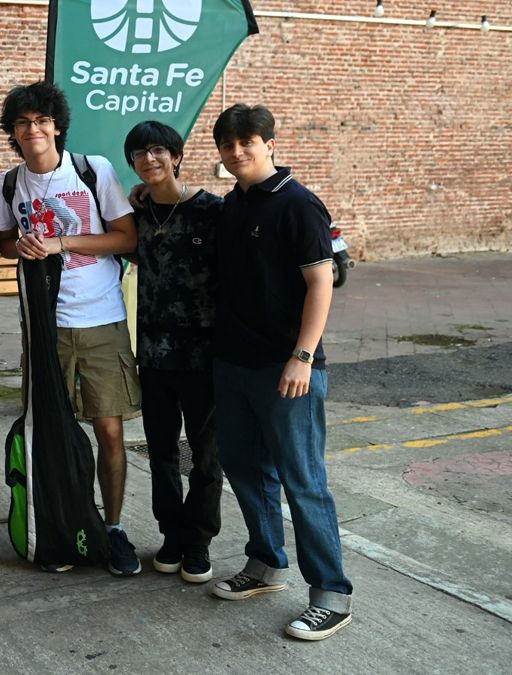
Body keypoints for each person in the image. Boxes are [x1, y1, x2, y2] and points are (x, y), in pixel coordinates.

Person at [207, 103, 353, 641]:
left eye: (248, 141)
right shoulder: (233, 206)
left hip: (286, 367)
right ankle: (265, 564)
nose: (238, 151)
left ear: (270, 142)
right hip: (235, 363)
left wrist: (303, 356)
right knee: (245, 468)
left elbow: (321, 284)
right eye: (228, 144)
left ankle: (332, 594)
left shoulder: (298, 205)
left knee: (303, 480)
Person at [0, 81, 142, 575]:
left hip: (100, 319)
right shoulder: (9, 184)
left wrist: (62, 244)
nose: (33, 130)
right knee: (52, 432)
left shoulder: (90, 170)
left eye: (41, 121)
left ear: (57, 125)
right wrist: (26, 248)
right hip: (45, 326)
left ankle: (114, 529)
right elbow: (6, 244)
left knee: (109, 429)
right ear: (13, 132)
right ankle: (63, 526)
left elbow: (125, 238)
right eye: (22, 123)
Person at [123, 121, 223, 584]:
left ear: (177, 156)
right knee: (161, 451)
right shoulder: (138, 214)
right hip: (154, 355)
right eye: (139, 154)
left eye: (158, 150)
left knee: (205, 454)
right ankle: (171, 534)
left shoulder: (211, 211)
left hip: (203, 357)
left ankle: (199, 541)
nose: (150, 160)